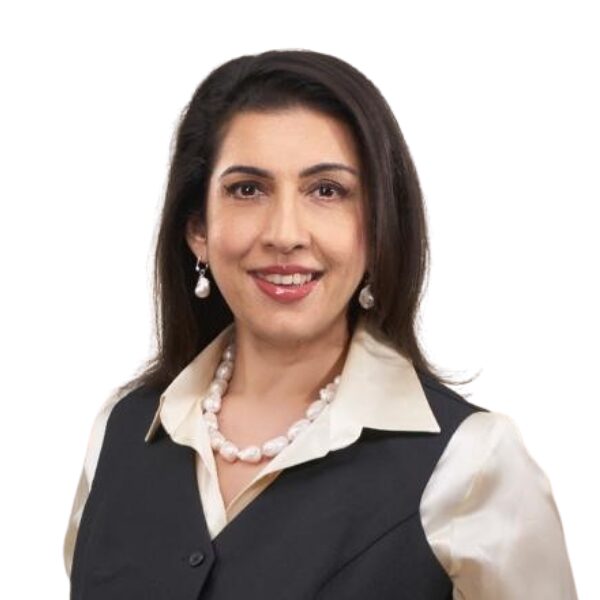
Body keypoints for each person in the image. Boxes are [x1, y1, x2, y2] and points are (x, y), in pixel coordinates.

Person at [64, 49, 578, 599]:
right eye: (248, 189)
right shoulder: (120, 432)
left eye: (326, 190)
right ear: (198, 231)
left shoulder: (474, 463)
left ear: (377, 229)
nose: (285, 234)